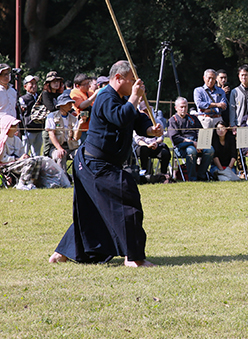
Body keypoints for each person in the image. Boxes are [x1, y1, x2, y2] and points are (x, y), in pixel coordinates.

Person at [49, 60, 163, 267]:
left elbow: (136, 120)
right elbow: (120, 117)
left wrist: (150, 130)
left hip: (98, 164)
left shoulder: (122, 98)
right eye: (131, 80)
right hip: (95, 164)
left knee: (94, 210)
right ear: (118, 78)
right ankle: (133, 257)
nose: (135, 83)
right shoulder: (104, 97)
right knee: (126, 200)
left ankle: (61, 253)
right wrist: (136, 97)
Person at [168, 97, 214, 181]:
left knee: (210, 150)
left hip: (196, 142)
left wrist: (200, 144)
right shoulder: (172, 120)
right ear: (176, 108)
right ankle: (192, 178)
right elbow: (175, 138)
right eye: (181, 107)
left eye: (185, 107)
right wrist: (192, 143)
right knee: (191, 150)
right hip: (182, 145)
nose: (184, 109)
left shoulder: (193, 118)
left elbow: (200, 131)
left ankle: (201, 175)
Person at [45, 93, 79, 171]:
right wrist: (59, 148)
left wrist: (80, 124)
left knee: (81, 155)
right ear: (61, 105)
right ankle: (62, 179)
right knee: (60, 155)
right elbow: (51, 134)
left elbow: (76, 137)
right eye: (68, 103)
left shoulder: (74, 119)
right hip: (55, 147)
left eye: (71, 103)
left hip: (71, 147)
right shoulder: (52, 116)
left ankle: (77, 179)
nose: (71, 105)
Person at [41, 71, 64, 156]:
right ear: (48, 83)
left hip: (59, 125)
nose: (56, 83)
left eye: (58, 81)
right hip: (48, 126)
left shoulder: (59, 94)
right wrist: (62, 109)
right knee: (47, 150)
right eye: (54, 81)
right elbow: (51, 108)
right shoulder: (45, 93)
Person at [70, 73, 98, 143]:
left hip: (92, 127)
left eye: (88, 83)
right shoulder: (74, 93)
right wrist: (95, 94)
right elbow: (82, 105)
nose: (88, 85)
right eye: (85, 84)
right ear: (77, 86)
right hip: (81, 128)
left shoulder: (90, 92)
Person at [19, 75, 43, 156]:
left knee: (37, 154)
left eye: (35, 83)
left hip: (39, 128)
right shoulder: (23, 99)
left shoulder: (40, 97)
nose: (34, 85)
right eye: (31, 83)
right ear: (25, 86)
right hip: (28, 129)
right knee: (24, 153)